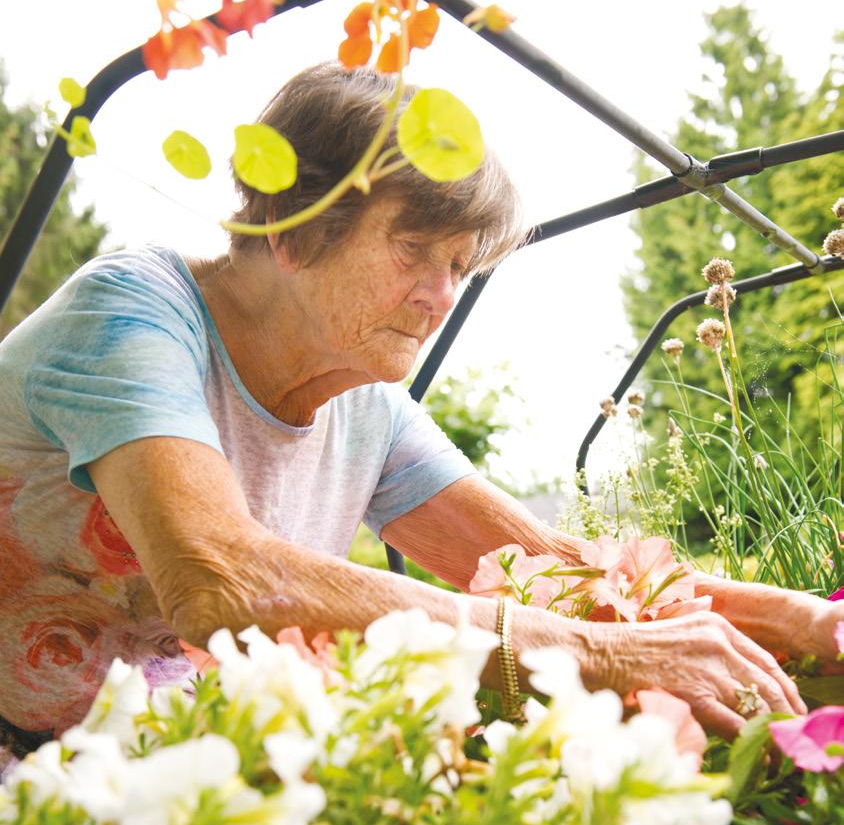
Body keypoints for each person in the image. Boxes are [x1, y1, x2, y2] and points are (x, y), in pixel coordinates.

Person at [0, 62, 836, 770]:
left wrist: (796, 616)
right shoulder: (132, 316)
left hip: (155, 777)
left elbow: (546, 566)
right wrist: (602, 656)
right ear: (293, 227)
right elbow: (221, 580)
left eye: (460, 265)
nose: (441, 295)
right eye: (414, 250)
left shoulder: (365, 404)